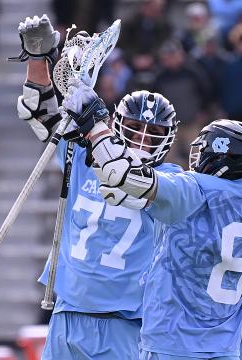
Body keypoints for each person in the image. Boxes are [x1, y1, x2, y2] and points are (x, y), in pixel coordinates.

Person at [63, 61, 242, 359]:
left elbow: (123, 173)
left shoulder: (195, 189)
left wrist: (96, 126)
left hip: (171, 345)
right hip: (224, 349)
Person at [12, 15, 181, 359]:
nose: (142, 141)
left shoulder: (172, 180)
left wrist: (94, 125)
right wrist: (38, 58)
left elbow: (128, 177)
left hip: (126, 321)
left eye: (152, 134)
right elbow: (41, 114)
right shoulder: (82, 154)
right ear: (119, 123)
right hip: (67, 313)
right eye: (133, 129)